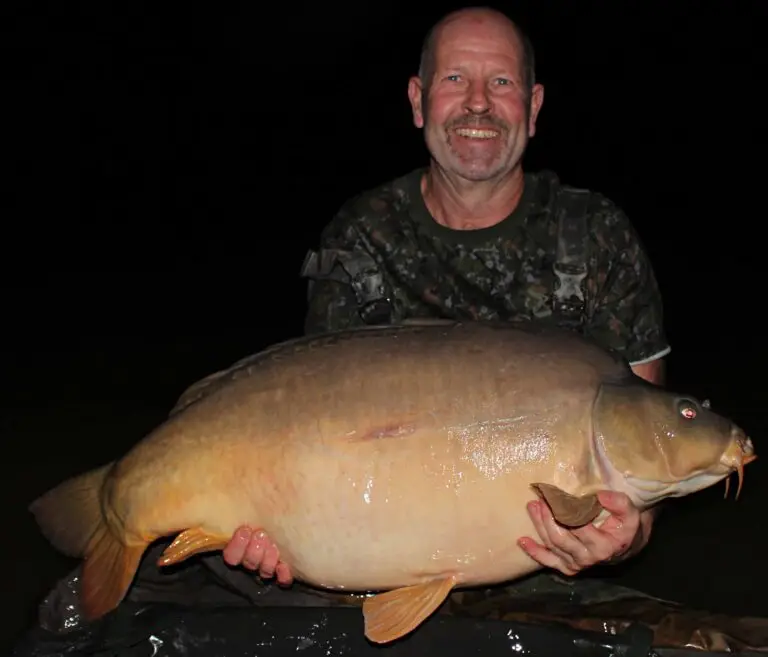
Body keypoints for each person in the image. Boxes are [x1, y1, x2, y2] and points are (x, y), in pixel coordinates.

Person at [221, 6, 671, 590]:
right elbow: (313, 420)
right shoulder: (362, 233)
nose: (478, 103)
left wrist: (627, 535)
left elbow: (648, 449)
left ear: (533, 108)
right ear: (418, 99)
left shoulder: (596, 235)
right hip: (375, 554)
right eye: (456, 79)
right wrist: (273, 526)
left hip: (553, 582)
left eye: (501, 82)